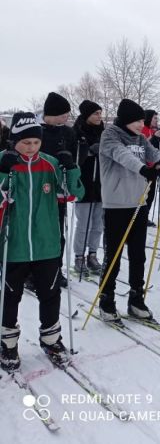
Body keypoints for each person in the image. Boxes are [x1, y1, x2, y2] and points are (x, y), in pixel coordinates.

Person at [0, 112, 84, 369]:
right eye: (25, 143)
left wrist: (70, 168)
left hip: (47, 243)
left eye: (35, 142)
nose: (31, 147)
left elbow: (73, 194)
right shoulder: (5, 163)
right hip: (14, 246)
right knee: (10, 296)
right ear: (14, 141)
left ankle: (51, 338)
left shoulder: (49, 164)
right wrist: (3, 173)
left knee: (50, 293)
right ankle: (8, 343)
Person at [98, 99, 160, 322]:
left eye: (144, 120)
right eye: (138, 120)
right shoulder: (110, 135)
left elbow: (153, 153)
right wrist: (143, 169)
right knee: (113, 254)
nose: (142, 125)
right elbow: (123, 156)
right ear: (126, 119)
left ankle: (136, 298)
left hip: (139, 202)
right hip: (116, 204)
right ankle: (107, 299)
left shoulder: (141, 138)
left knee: (138, 255)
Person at [38, 91, 77, 288]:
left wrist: (70, 163)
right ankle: (32, 271)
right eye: (64, 114)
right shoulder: (37, 130)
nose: (66, 118)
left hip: (58, 188)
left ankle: (55, 269)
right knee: (39, 230)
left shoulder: (67, 132)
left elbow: (76, 157)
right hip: (37, 188)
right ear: (52, 113)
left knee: (57, 232)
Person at [72, 100, 105, 275]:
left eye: (100, 113)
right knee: (83, 224)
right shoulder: (77, 131)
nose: (99, 116)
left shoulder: (105, 132)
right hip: (84, 182)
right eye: (95, 113)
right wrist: (88, 150)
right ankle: (79, 257)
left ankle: (92, 255)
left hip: (101, 183)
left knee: (97, 224)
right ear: (87, 115)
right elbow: (75, 158)